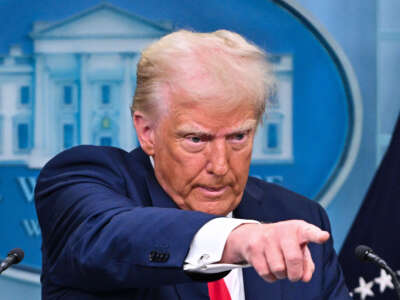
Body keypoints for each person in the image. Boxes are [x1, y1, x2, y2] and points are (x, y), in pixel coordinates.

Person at [34, 30, 351, 299]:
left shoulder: (299, 219)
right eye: (197, 140)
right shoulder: (81, 180)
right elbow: (112, 237)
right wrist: (236, 239)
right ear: (148, 132)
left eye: (238, 137)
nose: (220, 166)